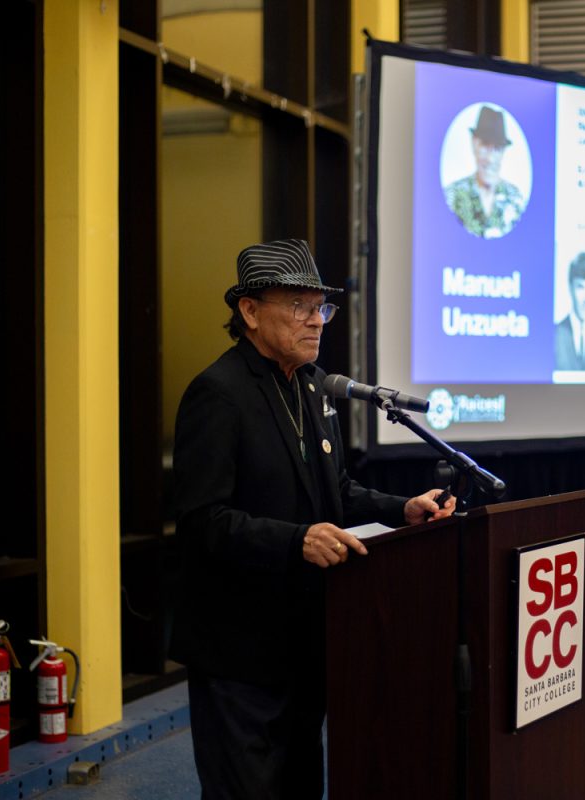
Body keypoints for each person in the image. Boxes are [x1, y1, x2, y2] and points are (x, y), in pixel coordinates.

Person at [170, 239, 455, 799]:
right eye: (298, 305)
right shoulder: (217, 394)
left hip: (306, 638)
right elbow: (203, 521)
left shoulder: (309, 385)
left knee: (302, 786)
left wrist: (400, 509)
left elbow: (335, 491)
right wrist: (296, 540)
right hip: (239, 649)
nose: (316, 320)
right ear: (249, 312)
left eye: (321, 307)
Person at [444, 105, 528, 238]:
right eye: (484, 146)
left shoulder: (515, 200)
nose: (490, 158)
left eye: (497, 149)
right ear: (474, 144)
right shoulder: (452, 196)